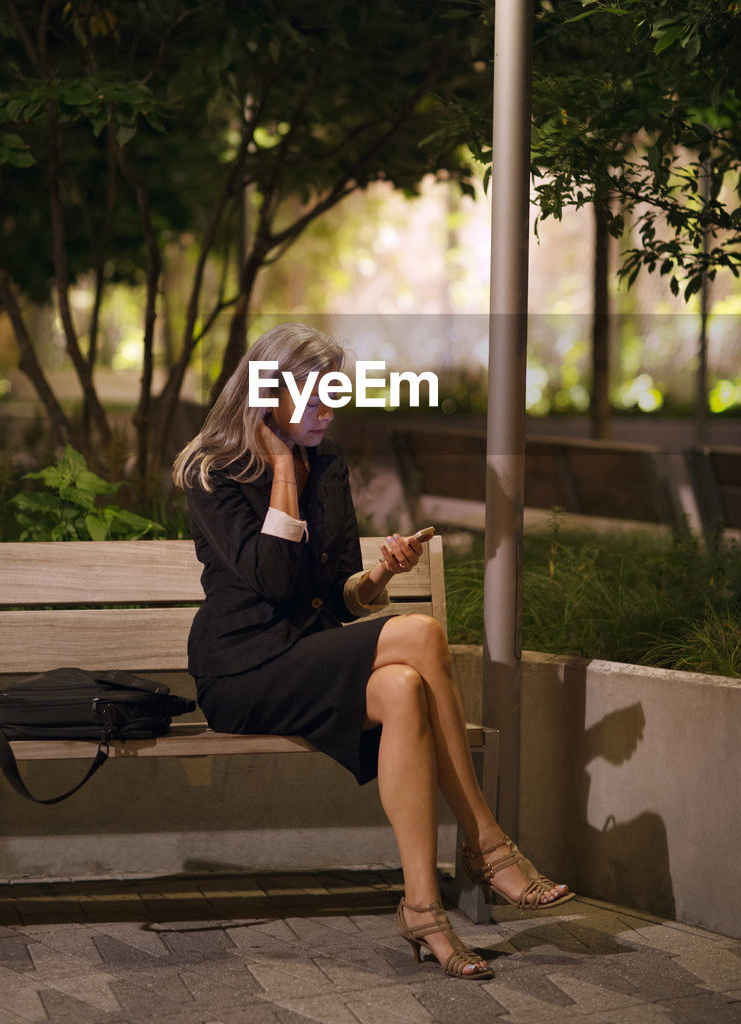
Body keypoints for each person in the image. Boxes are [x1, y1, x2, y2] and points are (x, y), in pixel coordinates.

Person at [173, 323, 573, 982]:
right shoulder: (214, 472)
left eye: (334, 396)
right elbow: (271, 579)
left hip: (303, 656)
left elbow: (331, 593)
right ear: (267, 394)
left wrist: (380, 575)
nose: (327, 412)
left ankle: (421, 906)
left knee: (402, 689)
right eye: (313, 397)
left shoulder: (326, 465)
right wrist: (279, 470)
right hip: (241, 671)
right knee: (419, 633)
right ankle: (487, 845)